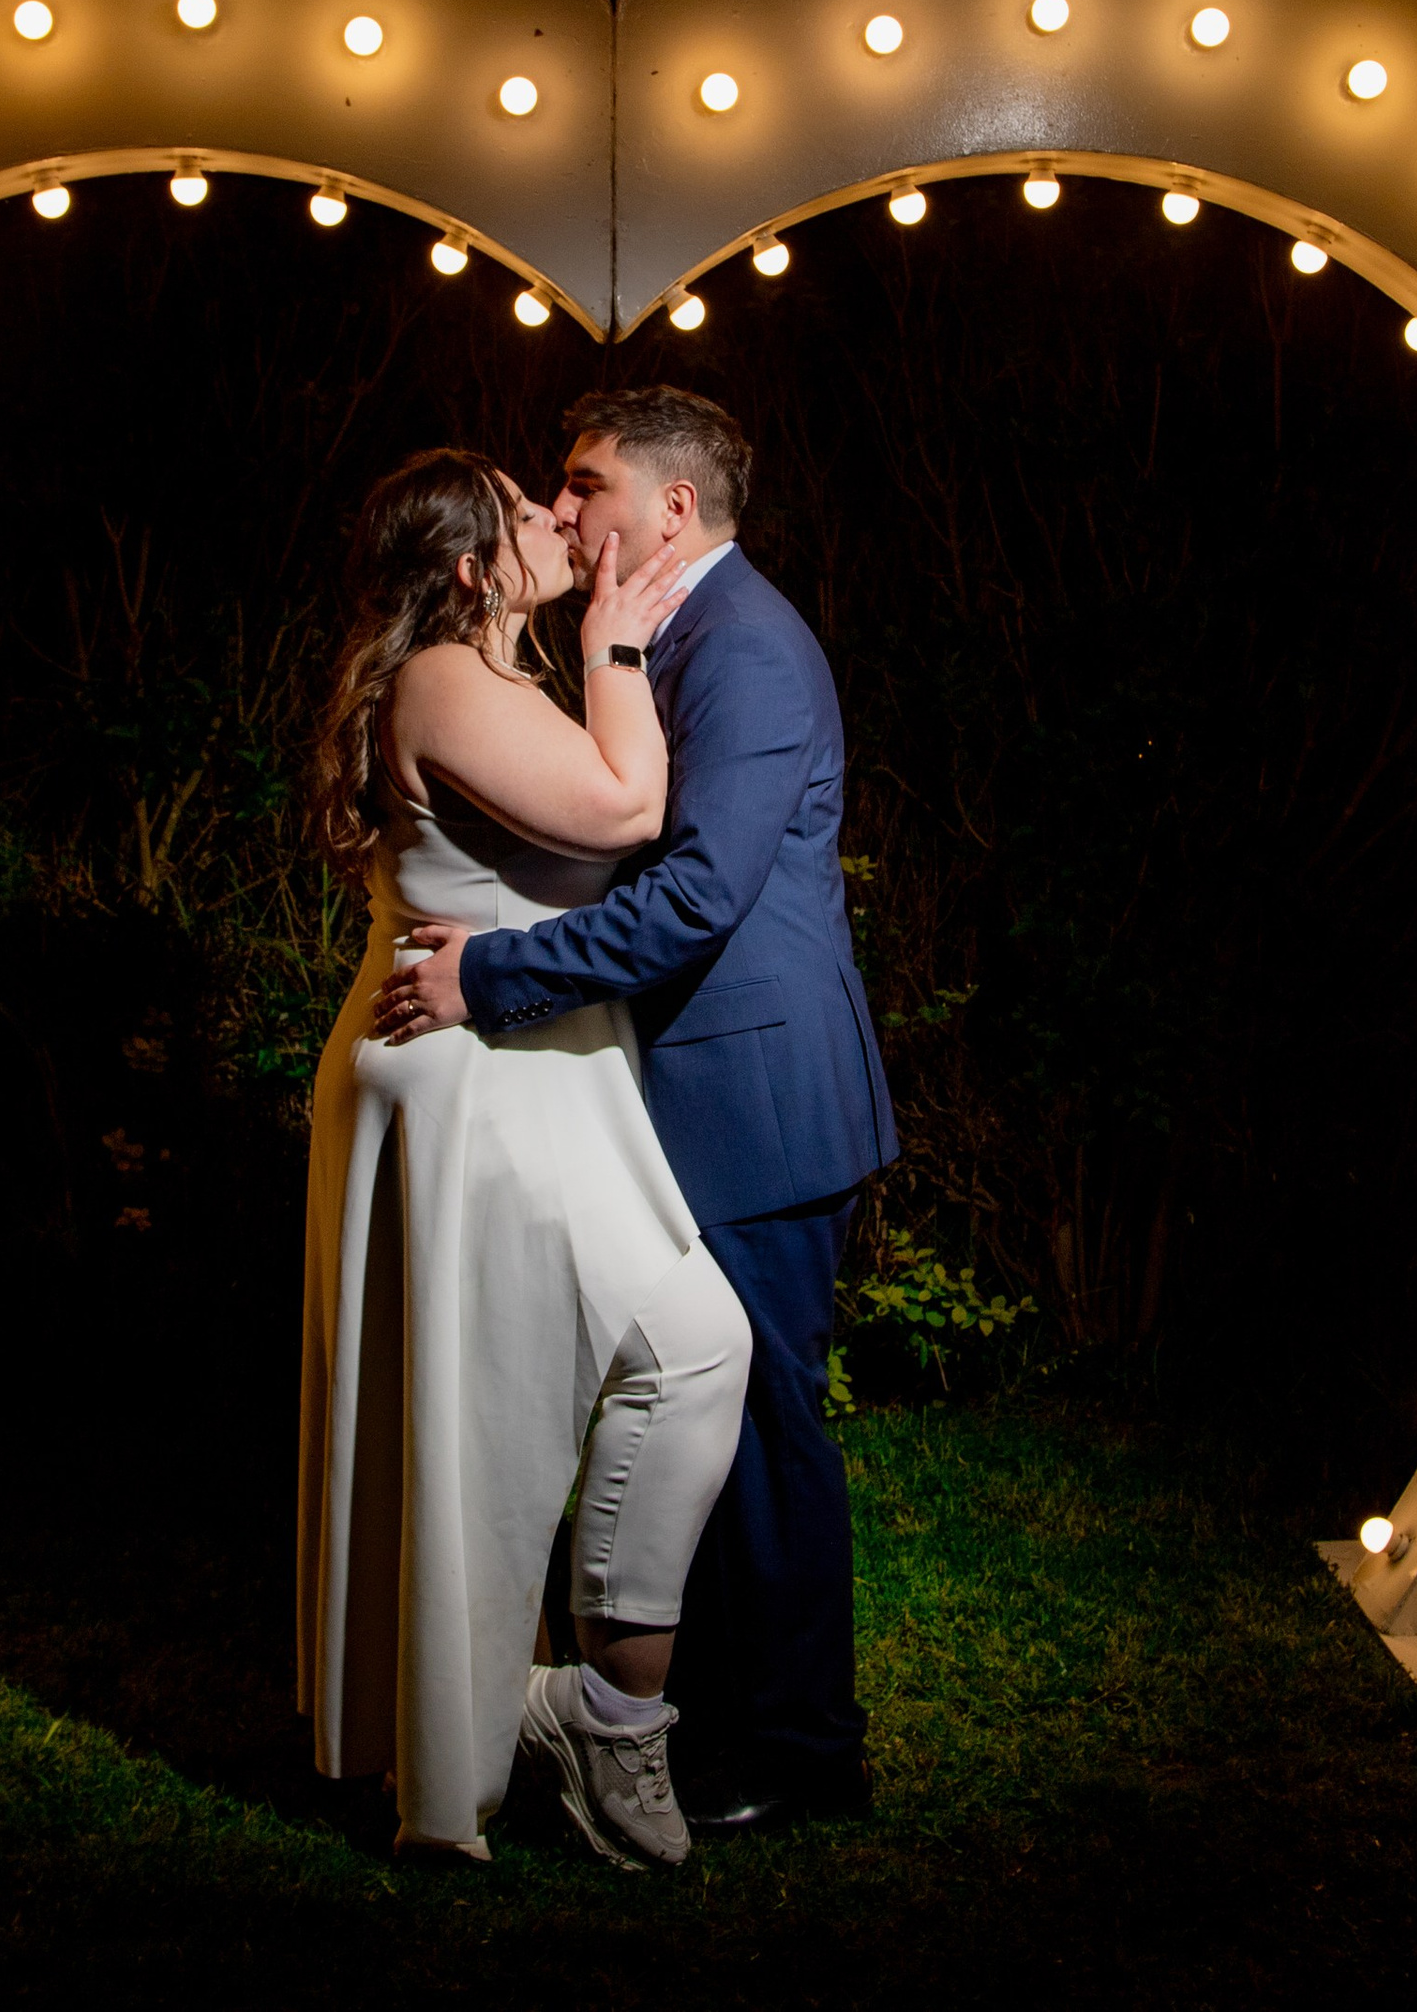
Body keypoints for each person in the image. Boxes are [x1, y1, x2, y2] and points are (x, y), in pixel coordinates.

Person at [373, 387, 893, 1835]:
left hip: (757, 1092)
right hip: (671, 1087)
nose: (566, 507)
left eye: (585, 481)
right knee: (702, 1416)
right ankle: (678, 1715)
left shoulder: (749, 652)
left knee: (769, 1426)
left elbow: (700, 893)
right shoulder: (656, 640)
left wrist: (499, 975)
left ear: (670, 508)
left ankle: (800, 1751)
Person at [299, 447, 753, 1869]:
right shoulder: (442, 674)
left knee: (676, 1352)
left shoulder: (493, 676)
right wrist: (619, 639)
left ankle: (570, 1705)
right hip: (473, 1090)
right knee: (532, 1404)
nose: (564, 517)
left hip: (528, 1070)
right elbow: (626, 812)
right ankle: (529, 1729)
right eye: (528, 507)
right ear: (467, 569)